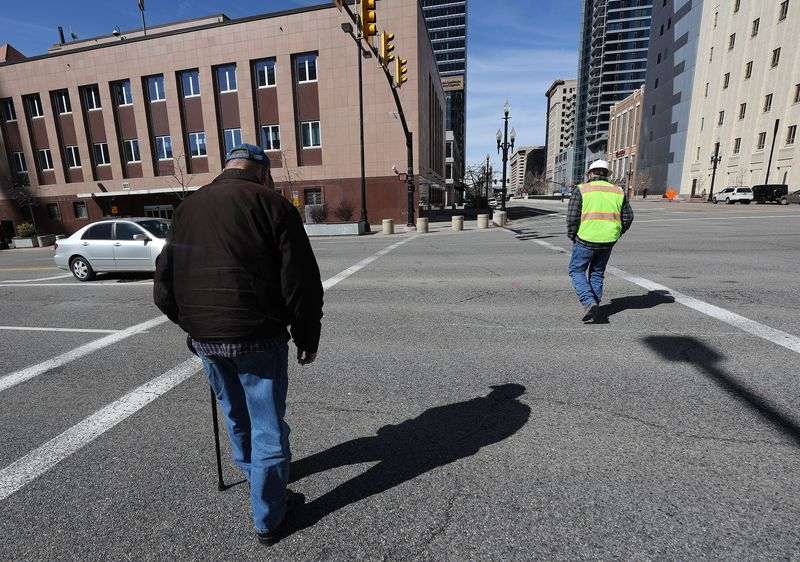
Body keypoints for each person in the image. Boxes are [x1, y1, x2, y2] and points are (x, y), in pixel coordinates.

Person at [153, 144, 324, 545]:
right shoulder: (273, 206)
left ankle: (254, 475)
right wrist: (306, 335)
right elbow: (300, 281)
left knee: (236, 414)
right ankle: (269, 516)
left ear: (227, 168)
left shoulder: (186, 209)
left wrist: (192, 325)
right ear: (262, 173)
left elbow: (164, 283)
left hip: (207, 338)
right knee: (267, 426)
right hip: (258, 336)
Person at [566, 160, 634, 323]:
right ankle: (595, 306)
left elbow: (572, 217)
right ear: (606, 175)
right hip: (608, 239)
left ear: (590, 174)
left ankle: (589, 302)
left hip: (586, 238)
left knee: (576, 270)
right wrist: (618, 232)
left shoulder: (582, 189)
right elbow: (628, 216)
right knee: (597, 272)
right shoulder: (618, 191)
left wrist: (572, 235)